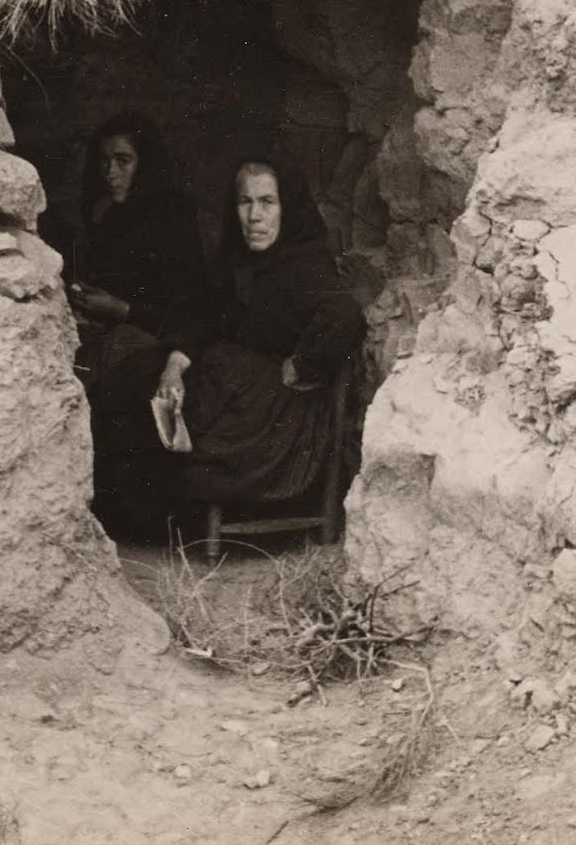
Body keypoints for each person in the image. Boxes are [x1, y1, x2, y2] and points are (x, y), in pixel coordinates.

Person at [155, 157, 364, 509]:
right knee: (149, 377)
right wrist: (174, 366)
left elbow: (346, 317)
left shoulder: (306, 266)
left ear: (287, 208)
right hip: (244, 405)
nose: (254, 216)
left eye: (267, 202)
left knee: (221, 373)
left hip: (285, 422)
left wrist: (300, 365)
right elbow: (204, 319)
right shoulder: (238, 263)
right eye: (245, 202)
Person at [64, 113, 206, 537]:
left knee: (116, 378)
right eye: (104, 161)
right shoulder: (109, 217)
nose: (111, 172)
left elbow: (188, 307)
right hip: (115, 334)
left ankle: (142, 524)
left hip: (162, 341)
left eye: (123, 161)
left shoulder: (174, 222)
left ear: (146, 164)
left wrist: (120, 309)